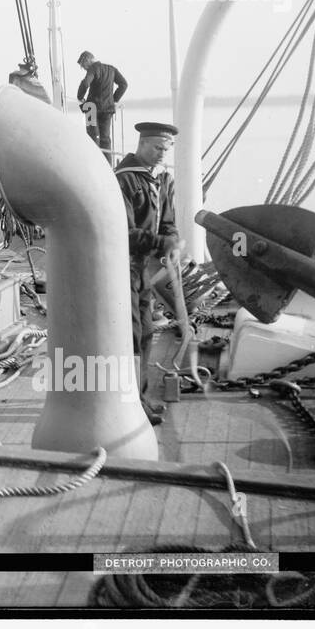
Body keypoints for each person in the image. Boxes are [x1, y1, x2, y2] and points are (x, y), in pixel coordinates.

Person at [115, 121, 180, 428]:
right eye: (156, 148)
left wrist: (171, 240)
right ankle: (129, 405)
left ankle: (138, 400)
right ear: (140, 144)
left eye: (165, 150)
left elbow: (168, 221)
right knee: (129, 336)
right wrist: (159, 243)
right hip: (122, 267)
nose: (160, 154)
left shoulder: (162, 180)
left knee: (146, 332)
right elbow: (123, 232)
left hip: (142, 269)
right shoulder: (123, 181)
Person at [75, 50, 128, 161]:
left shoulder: (93, 69)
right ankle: (107, 167)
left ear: (87, 60)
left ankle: (93, 163)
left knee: (92, 137)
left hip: (91, 109)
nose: (83, 68)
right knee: (105, 139)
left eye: (82, 65)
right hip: (107, 109)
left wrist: (80, 97)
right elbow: (124, 84)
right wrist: (114, 100)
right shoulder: (111, 69)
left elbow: (85, 83)